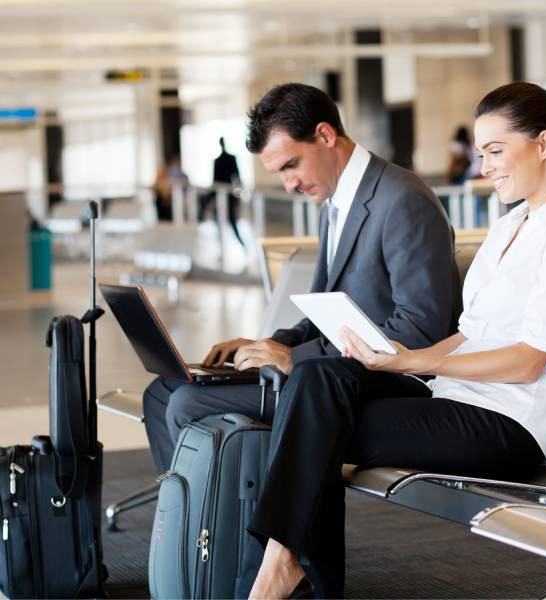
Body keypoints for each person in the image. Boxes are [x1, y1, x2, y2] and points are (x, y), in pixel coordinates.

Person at [243, 81, 546, 599]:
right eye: (482, 153)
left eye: (496, 151)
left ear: (544, 144)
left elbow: (529, 361)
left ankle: (280, 573)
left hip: (508, 425)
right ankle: (287, 568)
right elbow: (469, 334)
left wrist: (408, 362)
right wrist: (396, 358)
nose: (484, 168)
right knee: (316, 378)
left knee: (315, 424)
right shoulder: (510, 227)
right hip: (455, 401)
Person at [142, 82, 461, 593]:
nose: (288, 184)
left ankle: (230, 559)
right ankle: (192, 541)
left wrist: (298, 357)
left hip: (383, 382)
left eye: (291, 165)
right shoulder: (337, 204)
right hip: (329, 370)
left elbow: (420, 332)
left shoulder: (402, 201)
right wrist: (265, 345)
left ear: (325, 134)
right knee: (163, 393)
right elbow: (320, 314)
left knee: (186, 404)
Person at [200, 137, 245, 245]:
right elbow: (234, 178)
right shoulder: (221, 160)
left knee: (230, 220)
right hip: (223, 194)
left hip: (227, 194)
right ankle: (225, 246)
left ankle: (241, 245)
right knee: (223, 221)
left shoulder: (225, 159)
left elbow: (235, 177)